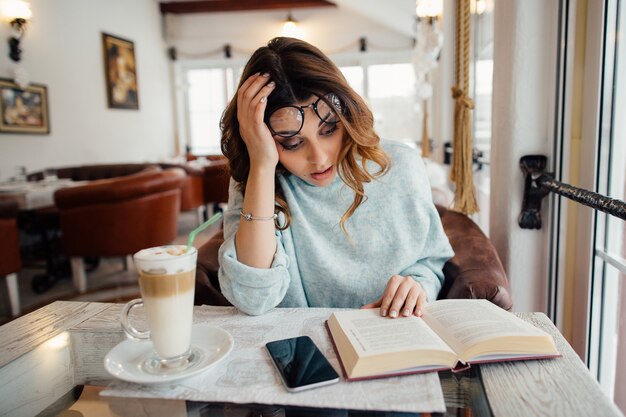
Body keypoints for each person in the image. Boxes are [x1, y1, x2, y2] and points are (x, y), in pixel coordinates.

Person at [218, 37, 454, 318]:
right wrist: (261, 166)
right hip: (304, 352)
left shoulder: (401, 164)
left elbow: (429, 260)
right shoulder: (257, 181)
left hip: (392, 338)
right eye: (292, 143)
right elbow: (253, 299)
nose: (319, 157)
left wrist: (418, 284)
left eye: (329, 129)